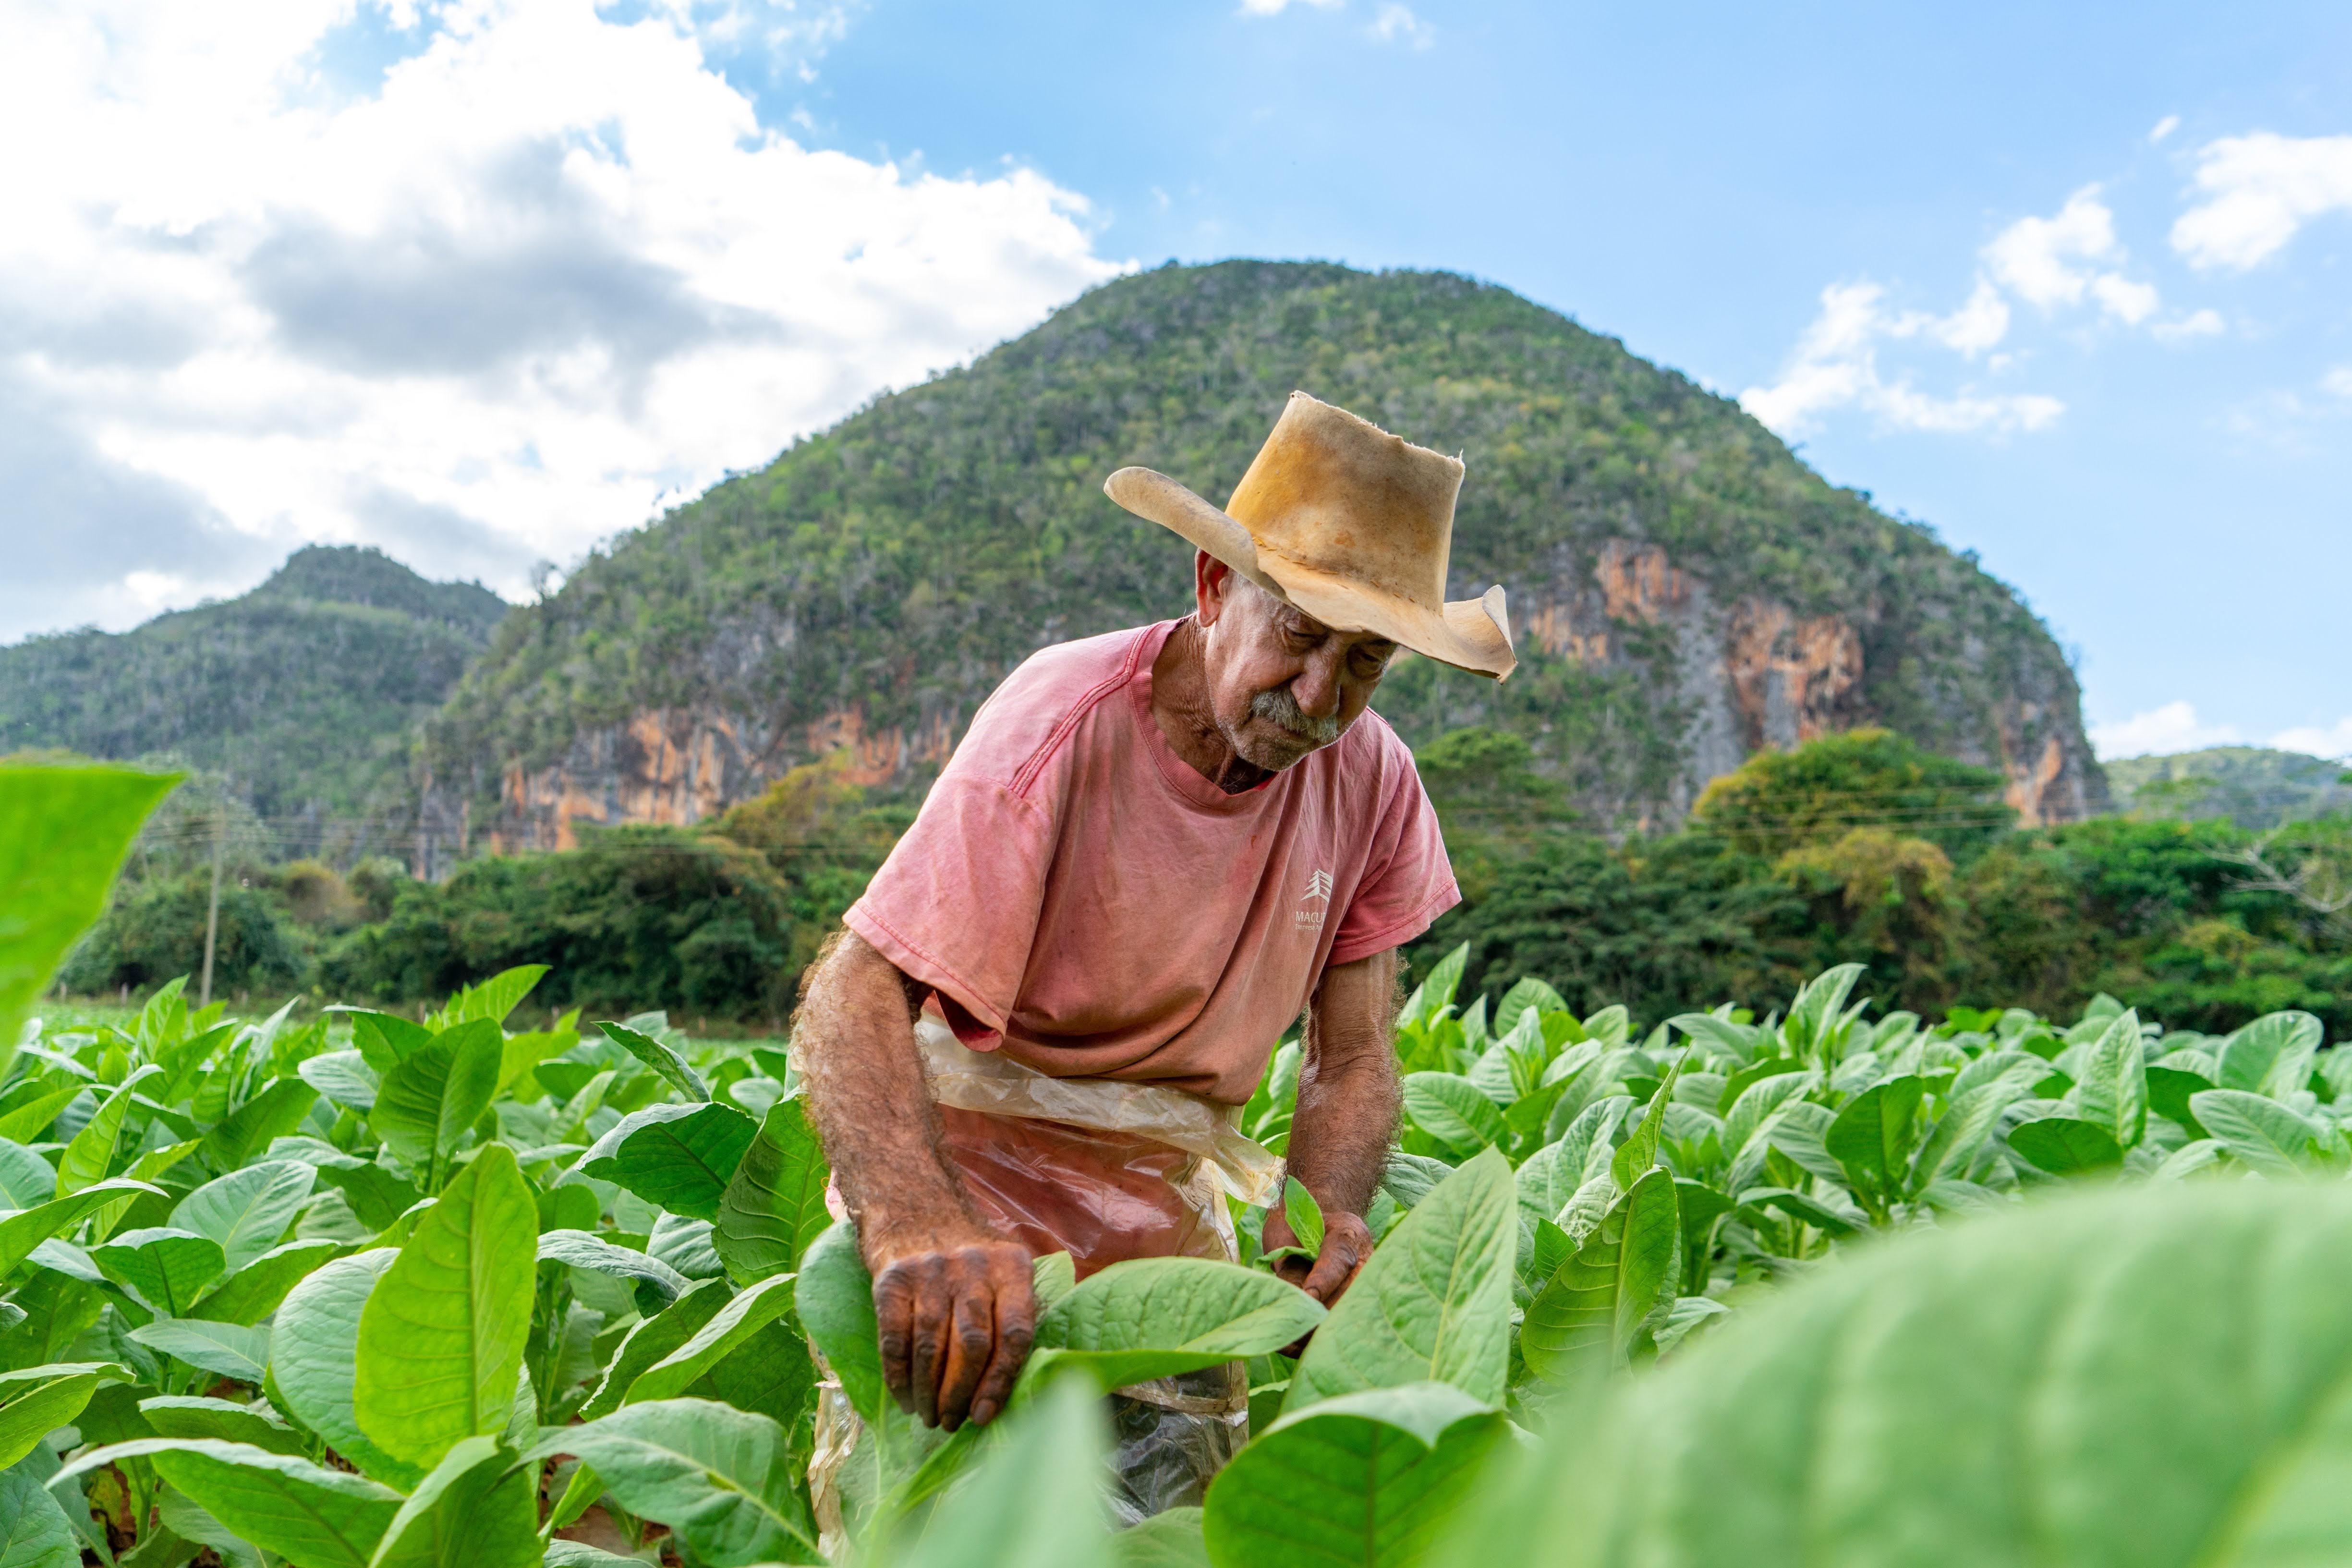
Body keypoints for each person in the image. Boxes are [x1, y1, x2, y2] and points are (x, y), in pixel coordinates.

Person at [793, 390, 1516, 1516]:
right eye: (1296, 634)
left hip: (1168, 1251)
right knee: (946, 1536)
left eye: (1365, 661)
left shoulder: (1375, 781)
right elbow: (858, 982)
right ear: (1215, 588)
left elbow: (1355, 1058)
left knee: (1166, 1538)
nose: (1319, 695)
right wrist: (915, 1220)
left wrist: (1322, 1214)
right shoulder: (1065, 715)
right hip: (972, 1234)